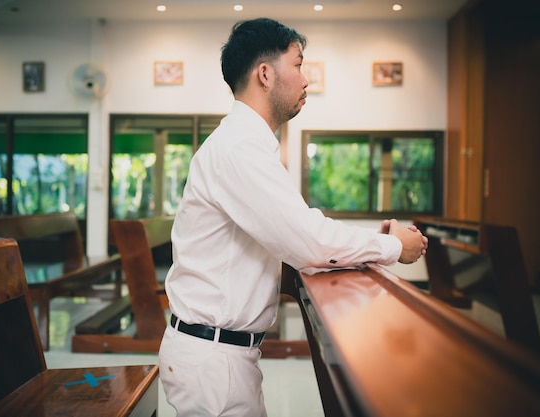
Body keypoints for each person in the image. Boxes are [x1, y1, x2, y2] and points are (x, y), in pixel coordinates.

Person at [157, 17, 428, 417]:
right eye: (298, 64)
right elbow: (307, 240)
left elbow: (297, 227)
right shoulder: (238, 149)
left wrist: (368, 240)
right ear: (265, 74)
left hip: (221, 353)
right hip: (213, 360)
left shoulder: (245, 144)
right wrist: (392, 246)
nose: (307, 80)